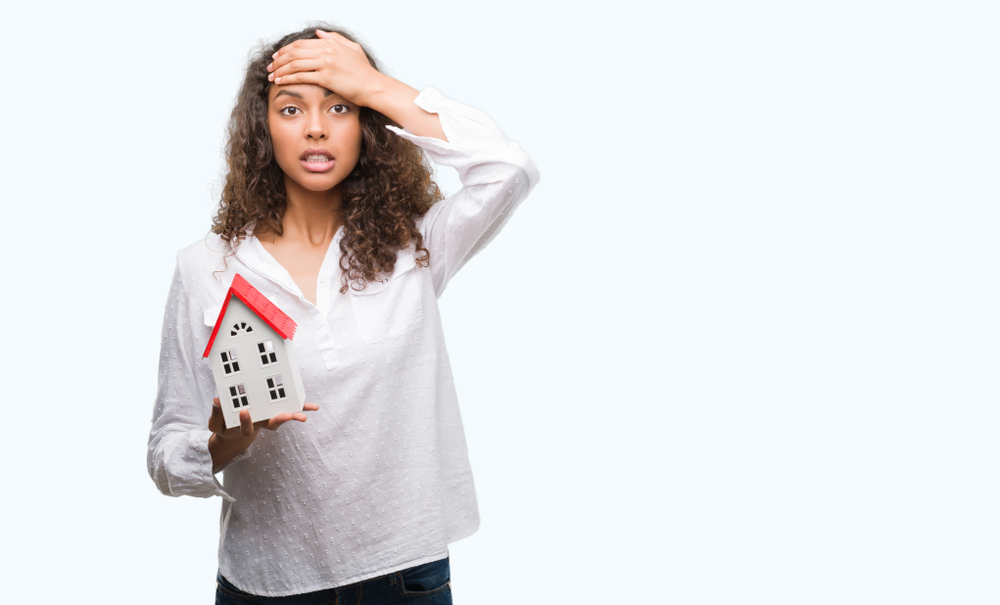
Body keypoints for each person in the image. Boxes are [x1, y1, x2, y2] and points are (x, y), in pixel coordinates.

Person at [147, 24, 539, 603]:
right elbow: (164, 454)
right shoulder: (205, 269)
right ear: (263, 131)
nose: (315, 127)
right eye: (290, 108)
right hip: (267, 583)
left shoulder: (415, 244)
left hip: (406, 574)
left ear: (366, 127)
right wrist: (225, 440)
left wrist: (373, 83)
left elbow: (508, 168)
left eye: (339, 107)